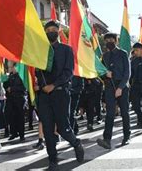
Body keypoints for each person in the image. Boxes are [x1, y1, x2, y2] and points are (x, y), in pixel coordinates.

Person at [36, 20, 84, 171]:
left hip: (60, 93)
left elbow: (68, 72)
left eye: (53, 29)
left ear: (58, 31)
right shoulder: (40, 51)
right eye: (48, 30)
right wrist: (41, 85)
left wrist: (53, 85)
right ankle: (53, 160)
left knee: (63, 127)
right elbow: (38, 71)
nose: (51, 32)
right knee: (48, 129)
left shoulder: (66, 50)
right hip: (44, 96)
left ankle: (76, 143)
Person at [96, 32, 131, 150]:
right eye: (106, 41)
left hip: (122, 86)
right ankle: (107, 139)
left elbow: (127, 73)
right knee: (109, 114)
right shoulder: (104, 56)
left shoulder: (123, 54)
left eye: (111, 40)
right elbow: (100, 72)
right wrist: (106, 75)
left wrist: (120, 87)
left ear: (116, 41)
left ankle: (127, 136)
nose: (108, 42)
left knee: (124, 112)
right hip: (110, 87)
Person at [3, 61, 27, 142]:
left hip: (19, 98)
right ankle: (13, 133)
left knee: (20, 117)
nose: (10, 68)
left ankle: (21, 134)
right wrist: (4, 80)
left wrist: (12, 89)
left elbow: (24, 87)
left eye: (11, 67)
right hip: (10, 99)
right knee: (11, 116)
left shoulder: (21, 75)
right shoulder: (10, 76)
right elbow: (5, 86)